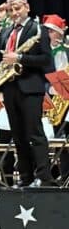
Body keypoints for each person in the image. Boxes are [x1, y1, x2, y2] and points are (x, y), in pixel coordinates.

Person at [0, 0, 54, 187]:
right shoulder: (6, 31)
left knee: (35, 134)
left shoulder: (37, 29)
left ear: (28, 7)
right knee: (19, 136)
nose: (14, 13)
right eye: (11, 10)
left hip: (30, 88)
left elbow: (46, 60)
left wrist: (20, 57)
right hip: (10, 88)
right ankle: (26, 177)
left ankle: (45, 178)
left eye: (18, 8)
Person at [42, 14, 69, 180]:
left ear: (59, 33)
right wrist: (49, 88)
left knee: (66, 137)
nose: (49, 35)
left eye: (52, 31)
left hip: (67, 100)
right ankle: (58, 173)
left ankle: (66, 174)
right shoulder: (43, 53)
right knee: (56, 138)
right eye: (48, 31)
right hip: (51, 99)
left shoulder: (67, 51)